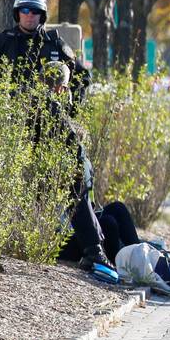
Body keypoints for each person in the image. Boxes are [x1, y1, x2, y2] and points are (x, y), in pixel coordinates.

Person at [43, 62, 139, 270]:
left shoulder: (57, 116)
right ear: (61, 88)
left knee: (118, 209)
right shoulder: (50, 120)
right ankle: (123, 268)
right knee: (110, 226)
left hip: (77, 222)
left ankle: (139, 257)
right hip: (61, 235)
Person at [0, 0, 90, 113]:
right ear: (17, 14)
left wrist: (71, 110)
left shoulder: (55, 43)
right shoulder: (3, 41)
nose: (29, 14)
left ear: (41, 15)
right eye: (24, 10)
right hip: (8, 118)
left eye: (35, 11)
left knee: (73, 134)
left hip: (48, 121)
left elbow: (83, 76)